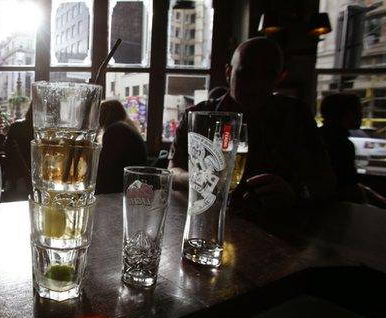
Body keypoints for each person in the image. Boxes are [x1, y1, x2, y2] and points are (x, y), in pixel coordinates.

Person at [169, 37, 335, 216]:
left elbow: (326, 180)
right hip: (208, 217)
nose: (256, 84)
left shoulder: (296, 115)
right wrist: (199, 180)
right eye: (246, 74)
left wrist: (297, 193)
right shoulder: (198, 115)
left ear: (280, 78)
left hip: (279, 225)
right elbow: (173, 171)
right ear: (228, 72)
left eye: (268, 76)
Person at [319, 93, 365, 203]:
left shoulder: (316, 135)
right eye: (359, 111)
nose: (362, 116)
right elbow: (348, 186)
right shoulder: (343, 145)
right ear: (349, 114)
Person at [96, 100, 148, 194]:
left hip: (121, 190)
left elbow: (102, 169)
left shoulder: (115, 130)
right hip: (131, 185)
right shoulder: (123, 128)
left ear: (103, 115)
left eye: (98, 113)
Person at [3, 108, 33, 201]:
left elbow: (7, 150)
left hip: (13, 177)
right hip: (30, 178)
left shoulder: (15, 126)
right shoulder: (43, 132)